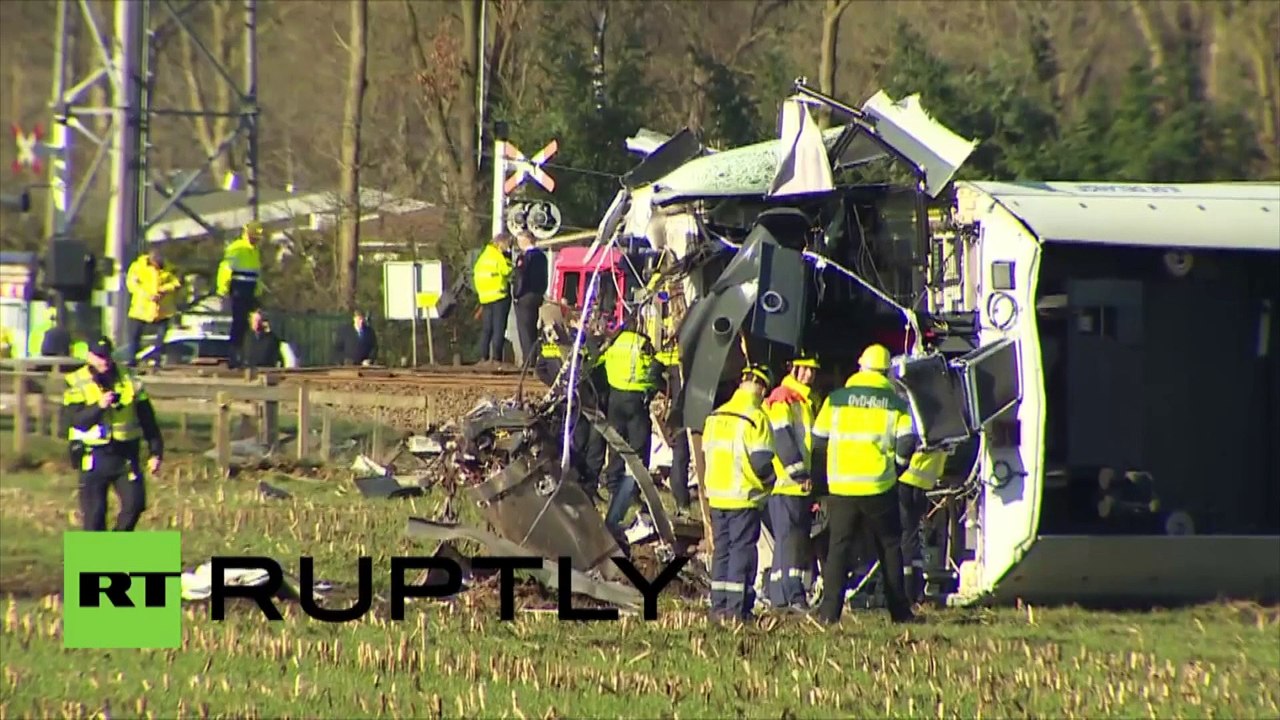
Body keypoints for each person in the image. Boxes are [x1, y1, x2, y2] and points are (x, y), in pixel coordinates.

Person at [811, 343, 920, 625]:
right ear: (886, 372)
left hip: (842, 487)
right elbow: (907, 442)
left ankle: (829, 614)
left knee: (839, 549)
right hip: (879, 486)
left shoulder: (835, 400)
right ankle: (900, 612)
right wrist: (896, 469)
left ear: (860, 367)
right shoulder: (896, 403)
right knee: (890, 547)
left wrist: (820, 486)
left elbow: (819, 442)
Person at [62, 337, 164, 531]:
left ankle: (114, 545)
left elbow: (148, 419)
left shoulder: (130, 379)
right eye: (99, 357)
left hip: (126, 454)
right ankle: (101, 550)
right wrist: (99, 406)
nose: (104, 362)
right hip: (93, 455)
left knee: (135, 505)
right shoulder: (76, 381)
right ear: (89, 356)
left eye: (107, 356)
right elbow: (76, 421)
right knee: (94, 516)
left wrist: (156, 452)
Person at [704, 364, 777, 622]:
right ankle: (737, 610)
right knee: (741, 553)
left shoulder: (716, 415)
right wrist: (771, 483)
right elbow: (761, 462)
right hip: (743, 497)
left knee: (722, 551)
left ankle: (718, 607)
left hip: (716, 496)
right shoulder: (756, 418)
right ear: (762, 388)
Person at [595, 318, 667, 541]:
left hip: (615, 399)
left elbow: (600, 361)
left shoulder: (614, 342)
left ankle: (613, 484)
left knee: (616, 445)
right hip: (636, 401)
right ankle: (633, 490)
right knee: (638, 451)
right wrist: (655, 388)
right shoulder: (642, 343)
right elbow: (652, 369)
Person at [763, 351, 821, 611]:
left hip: (797, 486)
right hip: (787, 484)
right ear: (792, 368)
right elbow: (782, 438)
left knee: (790, 542)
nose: (809, 375)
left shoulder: (805, 400)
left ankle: (780, 596)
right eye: (804, 369)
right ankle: (792, 595)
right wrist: (800, 474)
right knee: (790, 542)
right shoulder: (783, 397)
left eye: (813, 370)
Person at [899, 444, 949, 602]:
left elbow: (903, 448)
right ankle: (917, 590)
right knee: (914, 537)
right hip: (924, 483)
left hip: (905, 479)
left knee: (905, 537)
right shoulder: (946, 431)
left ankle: (907, 592)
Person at [216, 221, 265, 369]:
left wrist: (258, 290)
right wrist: (223, 288)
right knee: (239, 322)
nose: (256, 240)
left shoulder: (254, 251)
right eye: (254, 236)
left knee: (252, 322)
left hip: (249, 288)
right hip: (238, 288)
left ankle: (245, 355)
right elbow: (225, 268)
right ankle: (234, 356)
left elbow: (256, 273)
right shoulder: (237, 248)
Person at [125, 248, 182, 367]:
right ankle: (132, 359)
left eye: (160, 261)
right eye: (156, 261)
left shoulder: (170, 268)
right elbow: (132, 284)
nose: (158, 264)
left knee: (161, 337)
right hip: (141, 308)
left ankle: (156, 358)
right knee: (134, 335)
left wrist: (163, 290)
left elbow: (176, 283)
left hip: (163, 309)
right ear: (151, 259)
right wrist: (148, 294)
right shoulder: (138, 267)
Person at [472, 233, 514, 366]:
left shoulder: (483, 257)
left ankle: (483, 357)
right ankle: (496, 358)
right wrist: (509, 260)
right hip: (499, 296)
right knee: (499, 328)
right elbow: (507, 271)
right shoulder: (498, 256)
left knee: (487, 329)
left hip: (485, 298)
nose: (508, 248)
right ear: (501, 244)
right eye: (507, 245)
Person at [512, 232, 548, 366]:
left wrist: (517, 294)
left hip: (525, 295)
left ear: (526, 241)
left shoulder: (525, 257)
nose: (518, 244)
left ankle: (528, 361)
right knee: (533, 328)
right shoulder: (542, 256)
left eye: (519, 241)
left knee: (525, 329)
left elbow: (521, 278)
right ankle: (535, 358)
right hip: (537, 295)